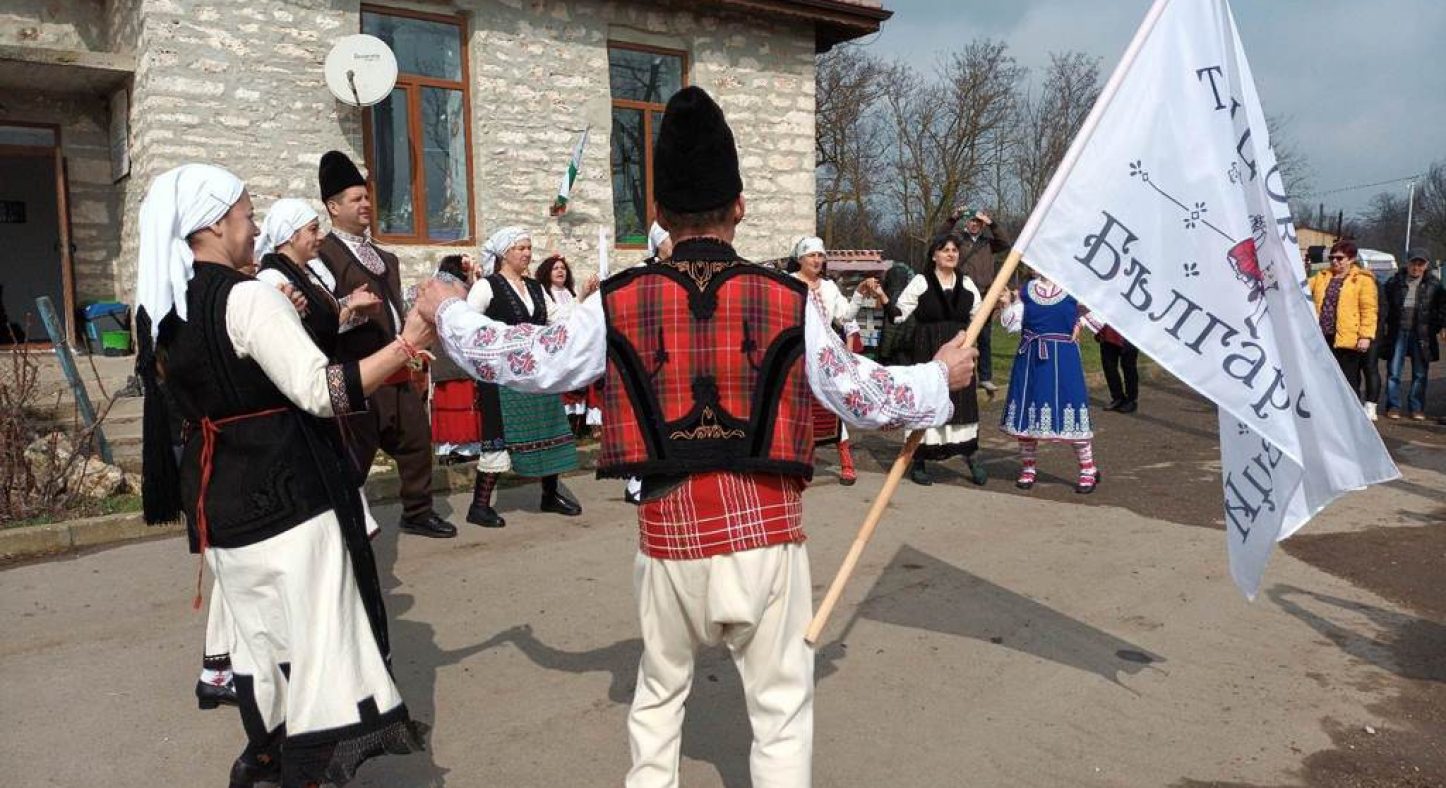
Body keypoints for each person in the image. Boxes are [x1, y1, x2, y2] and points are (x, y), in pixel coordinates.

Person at [413, 86, 977, 788]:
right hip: (766, 538)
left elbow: (527, 359)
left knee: (657, 702)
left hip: (669, 537)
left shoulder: (615, 300)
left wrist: (449, 313)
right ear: (739, 206)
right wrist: (939, 376)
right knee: (781, 713)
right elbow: (861, 394)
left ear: (658, 212)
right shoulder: (788, 299)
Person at [133, 164, 426, 786]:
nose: (254, 227)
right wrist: (408, 341)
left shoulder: (163, 309)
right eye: (246, 215)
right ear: (214, 225)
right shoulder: (246, 297)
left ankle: (264, 755)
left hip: (221, 503)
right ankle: (306, 769)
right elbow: (324, 391)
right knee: (318, 645)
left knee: (260, 643)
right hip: (290, 498)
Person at [315, 150, 456, 538]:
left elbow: (394, 308)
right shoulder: (323, 255)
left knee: (416, 441)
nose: (365, 204)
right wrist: (349, 310)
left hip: (397, 367)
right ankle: (340, 522)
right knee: (354, 454)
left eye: (366, 197)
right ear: (333, 207)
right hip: (358, 370)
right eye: (355, 199)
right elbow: (321, 315)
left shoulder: (386, 257)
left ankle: (418, 511)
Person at [462, 227, 582, 526]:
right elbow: (468, 325)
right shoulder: (487, 286)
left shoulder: (535, 287)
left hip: (538, 373)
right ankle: (479, 506)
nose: (527, 253)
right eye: (521, 248)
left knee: (548, 428)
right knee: (499, 436)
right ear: (505, 253)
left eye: (529, 248)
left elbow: (559, 319)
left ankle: (550, 495)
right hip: (501, 376)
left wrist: (589, 307)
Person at [888, 232, 987, 487]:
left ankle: (971, 455)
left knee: (963, 402)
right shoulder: (921, 281)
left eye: (954, 250)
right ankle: (919, 460)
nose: (951, 254)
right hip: (928, 349)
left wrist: (997, 304)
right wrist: (882, 298)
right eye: (945, 250)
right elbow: (898, 314)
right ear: (934, 255)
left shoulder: (966, 283)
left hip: (959, 348)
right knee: (928, 401)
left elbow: (980, 314)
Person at [788, 235, 881, 486]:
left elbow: (845, 316)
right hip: (799, 353)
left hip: (827, 355)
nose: (817, 260)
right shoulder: (788, 283)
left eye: (820, 255)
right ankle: (798, 465)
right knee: (799, 409)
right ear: (800, 258)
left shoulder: (829, 287)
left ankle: (846, 462)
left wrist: (859, 294)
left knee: (833, 405)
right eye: (812, 255)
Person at [998, 272, 1100, 493]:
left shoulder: (1073, 288)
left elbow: (1099, 320)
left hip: (1064, 358)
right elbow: (1012, 325)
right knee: (1027, 411)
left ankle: (1088, 468)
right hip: (1030, 358)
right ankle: (1028, 468)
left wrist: (1080, 320)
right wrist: (1006, 304)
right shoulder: (1027, 291)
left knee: (1072, 406)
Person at [936, 204, 1009, 395]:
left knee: (984, 338)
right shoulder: (959, 240)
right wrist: (953, 218)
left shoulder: (988, 243)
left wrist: (991, 223)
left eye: (978, 222)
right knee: (962, 337)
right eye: (971, 221)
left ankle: (985, 377)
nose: (974, 224)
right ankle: (960, 376)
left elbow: (1005, 242)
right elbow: (940, 238)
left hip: (985, 295)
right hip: (963, 293)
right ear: (966, 222)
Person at [1309, 239, 1378, 418]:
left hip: (1347, 338)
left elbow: (1369, 310)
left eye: (1340, 258)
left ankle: (1352, 415)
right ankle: (1330, 413)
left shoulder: (1363, 280)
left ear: (1351, 259)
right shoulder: (1322, 276)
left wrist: (1365, 336)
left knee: (1348, 378)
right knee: (1324, 375)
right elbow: (1300, 287)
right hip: (1323, 336)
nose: (1335, 261)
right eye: (1332, 258)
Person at [1381, 249, 1444, 420]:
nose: (1416, 267)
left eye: (1420, 264)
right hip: (1398, 331)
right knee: (1394, 371)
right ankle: (1393, 406)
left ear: (1427, 265)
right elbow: (1384, 306)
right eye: (1413, 263)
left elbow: (1442, 309)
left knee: (1420, 373)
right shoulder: (1393, 282)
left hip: (1422, 333)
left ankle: (1417, 408)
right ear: (1407, 263)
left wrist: (1440, 327)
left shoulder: (1435, 285)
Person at [536, 254, 592, 436]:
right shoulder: (545, 294)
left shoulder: (570, 292)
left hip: (575, 344)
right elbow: (558, 317)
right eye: (555, 268)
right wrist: (581, 297)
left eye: (563, 268)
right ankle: (562, 427)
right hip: (556, 347)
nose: (560, 271)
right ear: (547, 272)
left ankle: (579, 425)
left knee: (577, 384)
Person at [1095, 320, 1139, 413]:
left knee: (1129, 368)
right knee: (1109, 367)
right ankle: (1117, 397)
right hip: (1108, 333)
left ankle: (1131, 400)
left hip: (1129, 334)